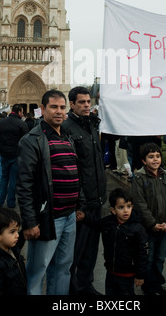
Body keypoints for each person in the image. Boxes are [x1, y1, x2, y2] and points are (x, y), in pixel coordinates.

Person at [17, 89, 80, 295]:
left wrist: (78, 206)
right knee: (38, 271)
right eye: (54, 107)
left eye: (62, 107)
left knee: (63, 269)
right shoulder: (31, 139)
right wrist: (29, 221)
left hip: (69, 215)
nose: (59, 111)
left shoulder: (67, 137)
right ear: (42, 109)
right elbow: (24, 184)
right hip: (48, 217)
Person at [63, 85, 107, 295]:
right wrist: (78, 202)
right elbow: (70, 168)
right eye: (82, 102)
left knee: (91, 249)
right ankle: (73, 289)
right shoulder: (67, 128)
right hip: (80, 202)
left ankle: (86, 284)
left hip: (96, 198)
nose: (87, 105)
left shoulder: (92, 125)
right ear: (71, 104)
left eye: (88, 102)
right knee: (75, 250)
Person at [77, 188, 148, 295]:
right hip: (111, 273)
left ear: (132, 207)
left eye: (128, 206)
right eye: (121, 207)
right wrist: (84, 216)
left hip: (127, 275)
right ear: (113, 210)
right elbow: (95, 223)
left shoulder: (138, 229)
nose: (125, 210)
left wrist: (140, 275)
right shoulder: (108, 223)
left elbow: (143, 254)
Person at [132, 142, 166, 296]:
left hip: (164, 227)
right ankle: (148, 287)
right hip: (147, 228)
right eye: (151, 157)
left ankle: (157, 283)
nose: (155, 160)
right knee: (149, 258)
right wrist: (152, 223)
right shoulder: (139, 178)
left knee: (160, 258)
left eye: (158, 156)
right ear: (144, 161)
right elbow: (139, 203)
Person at [0, 104, 28, 208]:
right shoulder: (22, 124)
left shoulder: (1, 122)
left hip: (4, 154)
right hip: (16, 155)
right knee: (13, 179)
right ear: (20, 112)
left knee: (4, 177)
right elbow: (25, 142)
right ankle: (11, 202)